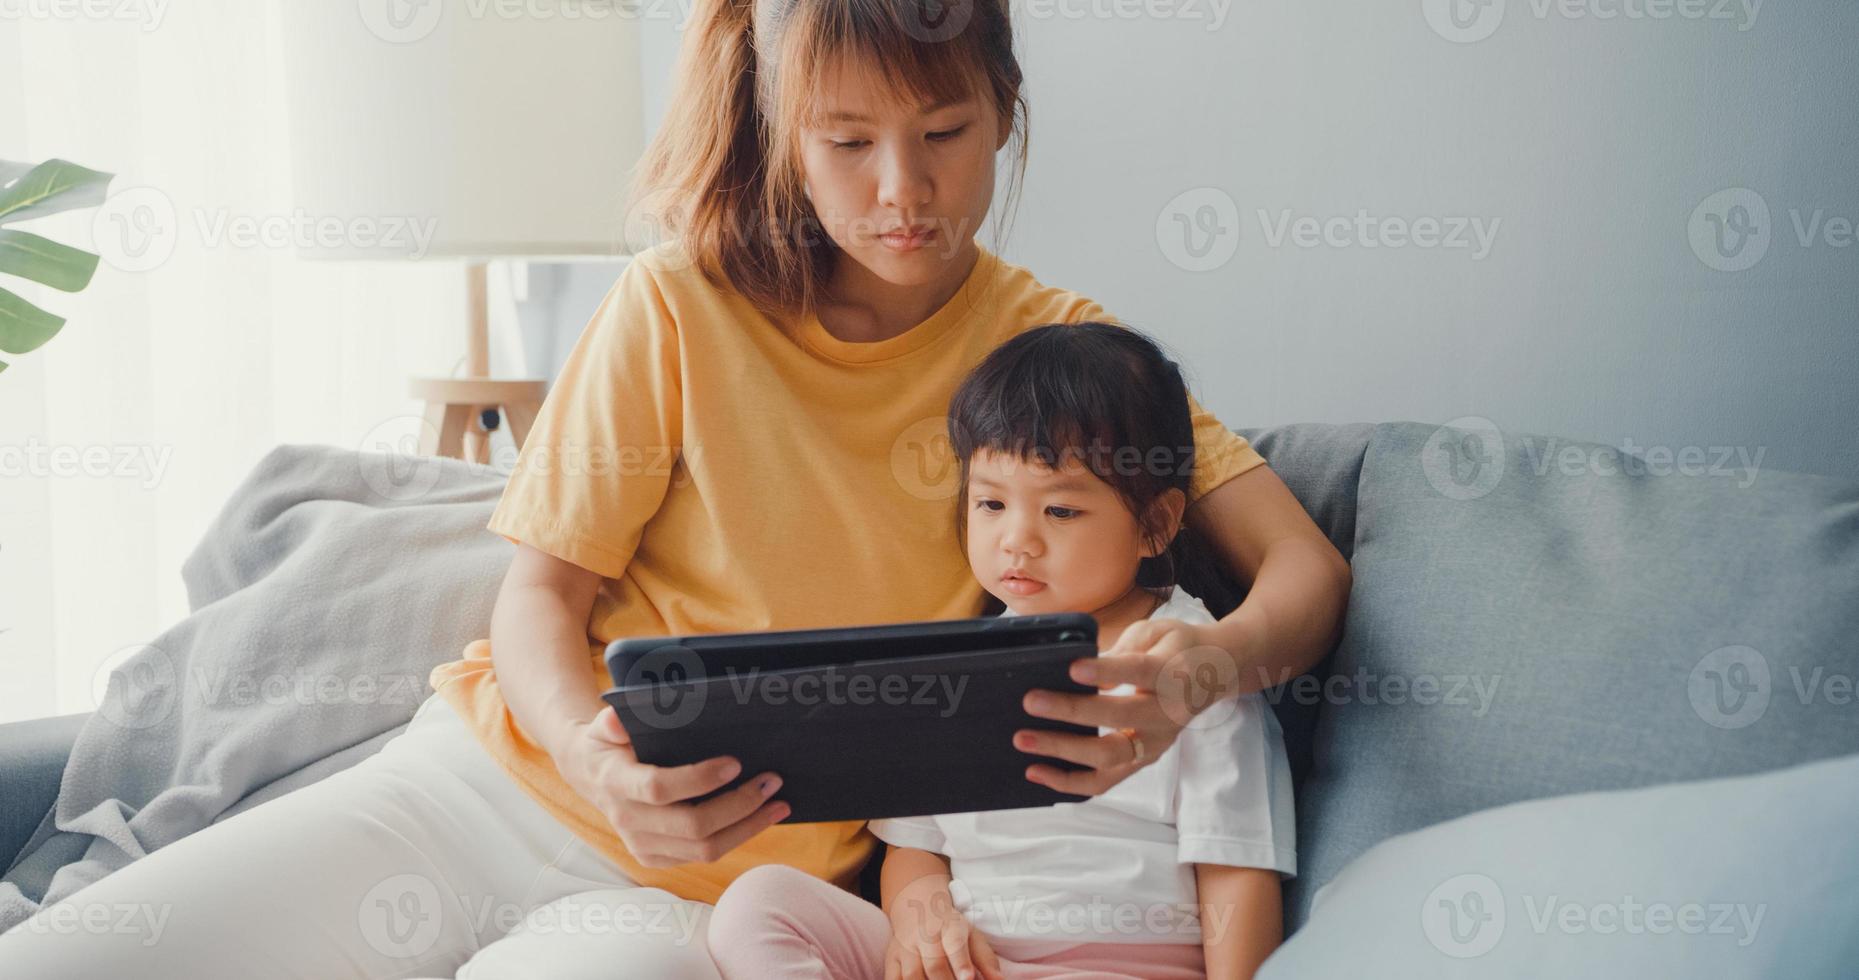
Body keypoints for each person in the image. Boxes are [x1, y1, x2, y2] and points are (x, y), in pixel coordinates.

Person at [0, 1, 1349, 976]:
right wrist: (593, 745)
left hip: (717, 901)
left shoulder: (1053, 357)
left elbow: (1301, 572)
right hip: (476, 789)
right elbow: (542, 594)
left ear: (1004, 108)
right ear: (780, 135)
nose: (902, 192)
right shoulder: (677, 306)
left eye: (943, 131)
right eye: (844, 144)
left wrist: (1202, 669)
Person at [706, 323, 1295, 980]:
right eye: (990, 502)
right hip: (969, 959)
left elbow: (1237, 876)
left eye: (1060, 512)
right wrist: (924, 916)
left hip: (1115, 965)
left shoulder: (1190, 673)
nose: (1017, 540)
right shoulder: (955, 668)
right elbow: (913, 849)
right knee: (760, 903)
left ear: (1154, 523)